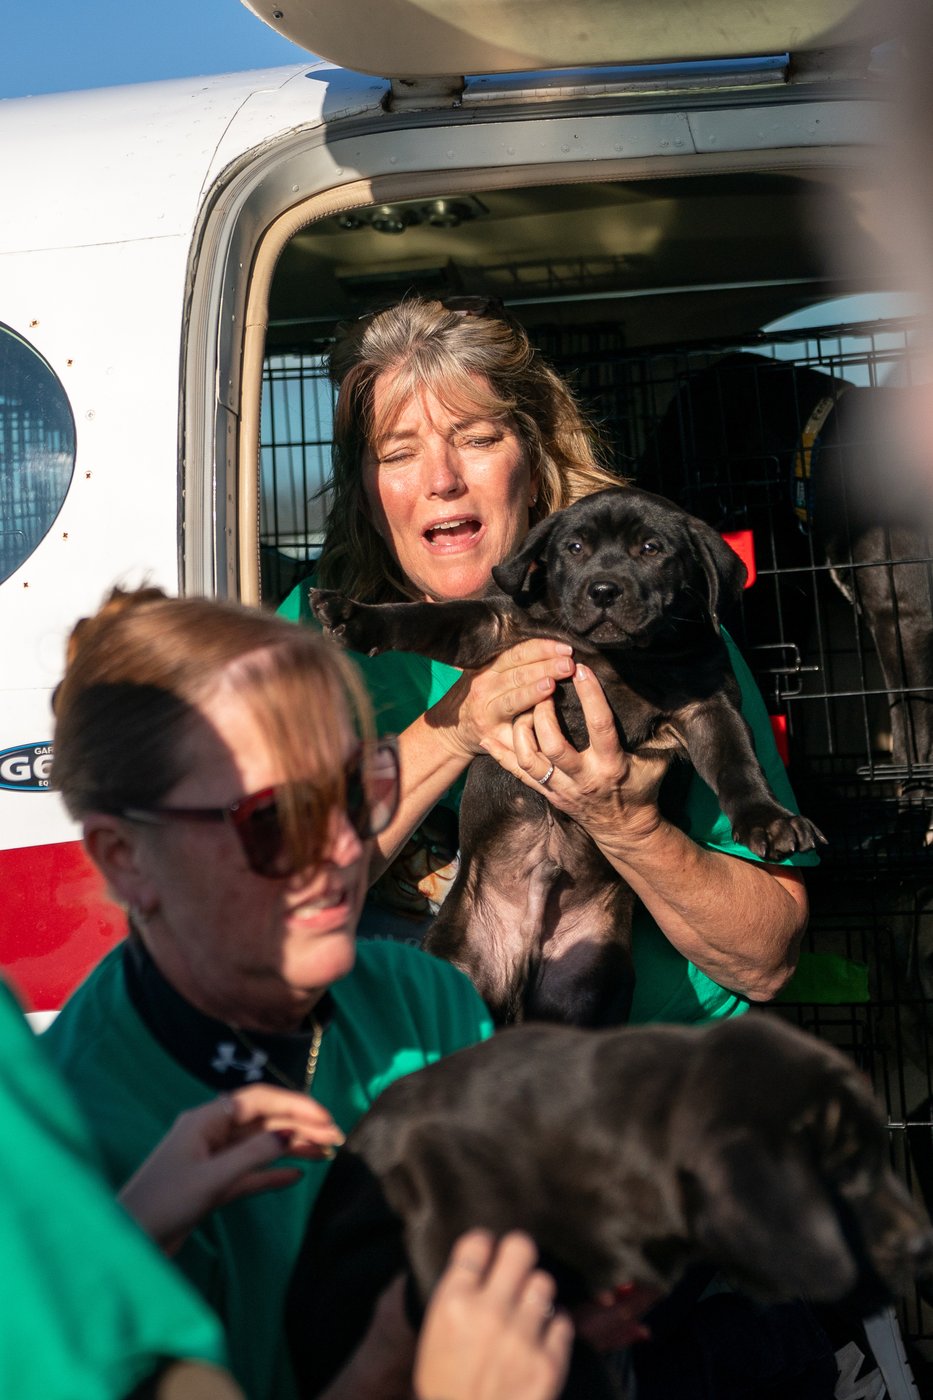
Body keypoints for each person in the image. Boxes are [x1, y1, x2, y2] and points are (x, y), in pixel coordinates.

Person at [279, 295, 817, 1025]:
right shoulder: (308, 636)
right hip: (429, 1069)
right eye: (398, 453)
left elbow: (768, 957)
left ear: (530, 468)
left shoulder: (655, 625)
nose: (441, 479)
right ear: (368, 495)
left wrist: (626, 821)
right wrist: (455, 727)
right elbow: (270, 913)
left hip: (633, 1071)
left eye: (474, 439)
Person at [41, 586, 495, 1400]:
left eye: (358, 790)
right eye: (276, 819)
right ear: (124, 860)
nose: (346, 846)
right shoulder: (79, 1145)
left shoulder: (426, 1001)